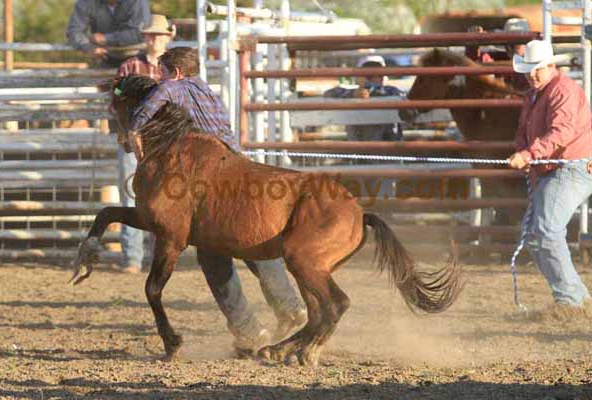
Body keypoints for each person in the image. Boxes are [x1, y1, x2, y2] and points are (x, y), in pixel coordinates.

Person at [126, 47, 306, 352]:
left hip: (211, 175)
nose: (160, 78)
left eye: (163, 71)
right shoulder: (206, 90)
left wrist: (134, 133)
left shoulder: (175, 88)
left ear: (177, 72)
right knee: (255, 237)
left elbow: (145, 111)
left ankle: (248, 330)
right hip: (240, 166)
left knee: (211, 253)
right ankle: (290, 307)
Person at [508, 40, 592, 307]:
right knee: (534, 238)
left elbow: (562, 132)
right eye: (528, 69)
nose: (531, 74)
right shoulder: (534, 95)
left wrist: (528, 155)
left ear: (551, 66)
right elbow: (523, 132)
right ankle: (578, 298)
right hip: (550, 170)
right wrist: (523, 151)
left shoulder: (564, 91)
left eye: (537, 69)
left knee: (545, 231)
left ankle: (570, 300)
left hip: (572, 167)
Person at [113, 14, 174, 274]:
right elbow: (115, 98)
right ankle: (133, 257)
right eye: (150, 35)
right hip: (134, 139)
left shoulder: (172, 68)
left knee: (163, 198)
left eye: (158, 35)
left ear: (168, 37)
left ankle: (158, 255)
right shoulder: (129, 67)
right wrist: (128, 131)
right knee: (132, 196)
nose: (153, 39)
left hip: (165, 142)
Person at [324, 54, 406, 142]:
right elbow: (328, 94)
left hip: (389, 151)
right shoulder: (350, 93)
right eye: (369, 74)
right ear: (359, 76)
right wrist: (353, 94)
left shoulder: (391, 91)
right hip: (361, 150)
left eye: (379, 73)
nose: (376, 77)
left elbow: (405, 99)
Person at [66, 0, 151, 68]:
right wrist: (88, 47)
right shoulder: (85, 2)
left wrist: (106, 38)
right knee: (110, 88)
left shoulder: (138, 1)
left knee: (132, 87)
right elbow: (74, 31)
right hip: (104, 58)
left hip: (138, 58)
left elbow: (141, 33)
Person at [502, 18, 531, 92]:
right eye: (510, 44)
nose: (511, 48)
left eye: (518, 43)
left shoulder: (533, 65)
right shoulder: (499, 56)